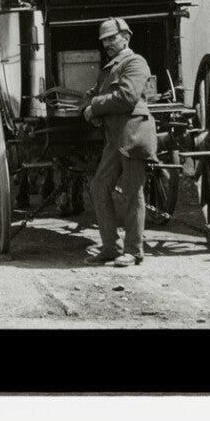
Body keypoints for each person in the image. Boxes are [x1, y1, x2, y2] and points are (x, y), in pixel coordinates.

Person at [80, 17, 158, 267]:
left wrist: (94, 107)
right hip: (115, 138)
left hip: (134, 133)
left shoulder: (135, 62)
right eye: (104, 41)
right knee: (99, 187)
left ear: (126, 37)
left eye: (112, 38)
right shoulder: (110, 67)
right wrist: (87, 105)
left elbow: (127, 96)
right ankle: (110, 247)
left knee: (133, 193)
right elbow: (94, 93)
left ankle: (134, 251)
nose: (108, 44)